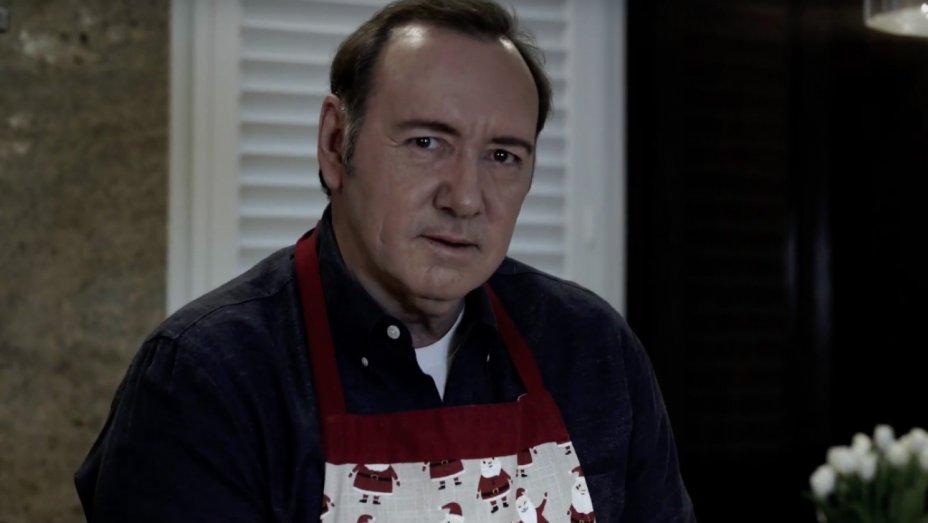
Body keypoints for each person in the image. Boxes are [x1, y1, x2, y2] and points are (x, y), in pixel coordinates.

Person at [74, 1, 695, 522]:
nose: (465, 199)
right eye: (427, 142)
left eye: (503, 156)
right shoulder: (205, 378)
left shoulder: (592, 347)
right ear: (335, 144)